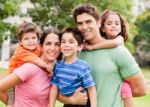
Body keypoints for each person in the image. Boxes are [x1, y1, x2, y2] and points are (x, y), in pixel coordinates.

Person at [58, 3, 147, 107]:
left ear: (99, 22)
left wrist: (115, 92)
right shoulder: (74, 52)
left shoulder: (118, 52)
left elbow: (141, 90)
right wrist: (71, 99)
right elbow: (58, 89)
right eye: (80, 23)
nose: (84, 27)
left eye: (88, 21)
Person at [0, 26, 61, 107]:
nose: (52, 48)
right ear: (41, 46)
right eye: (48, 43)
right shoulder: (30, 67)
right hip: (12, 80)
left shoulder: (57, 69)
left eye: (57, 44)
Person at [49, 27, 96, 107]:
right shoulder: (58, 66)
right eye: (63, 42)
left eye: (71, 42)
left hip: (82, 104)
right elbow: (54, 88)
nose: (66, 45)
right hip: (67, 104)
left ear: (80, 47)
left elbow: (91, 88)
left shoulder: (82, 66)